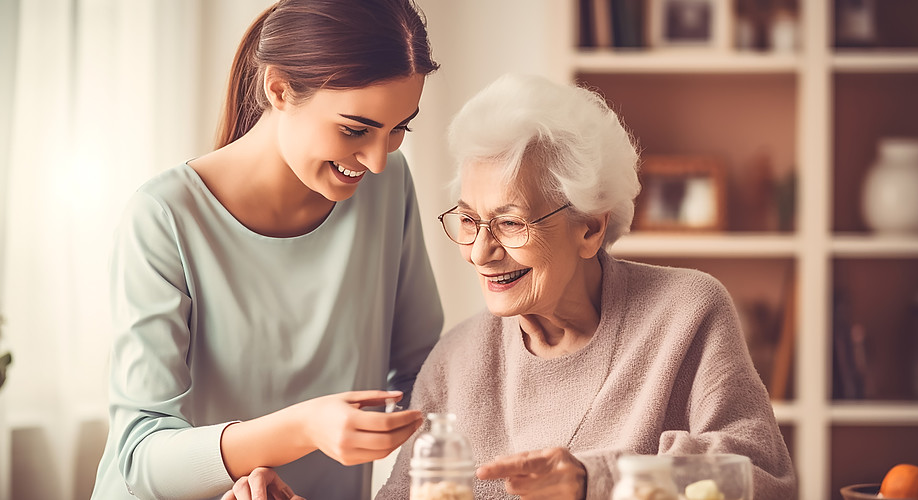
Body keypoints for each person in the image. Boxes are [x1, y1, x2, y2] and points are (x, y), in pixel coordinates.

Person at [374, 73, 797, 499]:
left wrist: (595, 480)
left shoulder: (688, 314)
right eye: (468, 220)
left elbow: (764, 477)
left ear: (590, 228)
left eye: (509, 223)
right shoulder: (455, 362)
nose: (481, 252)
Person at [90, 1, 443, 499]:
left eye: (400, 127)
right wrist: (303, 429)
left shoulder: (386, 187)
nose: (378, 160)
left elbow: (424, 374)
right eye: (354, 130)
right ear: (277, 88)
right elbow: (139, 456)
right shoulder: (164, 216)